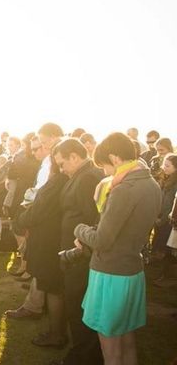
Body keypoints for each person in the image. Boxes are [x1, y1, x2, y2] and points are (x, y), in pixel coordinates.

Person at [75, 133, 161, 365]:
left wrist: (79, 229)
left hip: (110, 273)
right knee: (127, 339)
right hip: (133, 269)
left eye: (103, 164)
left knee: (111, 344)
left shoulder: (123, 189)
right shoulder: (152, 184)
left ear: (113, 158)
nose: (104, 171)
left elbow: (103, 240)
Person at [53, 138, 105, 365]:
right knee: (75, 304)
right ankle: (82, 353)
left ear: (74, 156)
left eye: (63, 163)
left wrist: (79, 250)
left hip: (81, 255)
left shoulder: (88, 178)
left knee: (78, 305)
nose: (62, 169)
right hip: (75, 252)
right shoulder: (81, 175)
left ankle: (83, 357)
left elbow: (92, 218)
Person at [15, 140, 70, 349]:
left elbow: (41, 209)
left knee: (52, 286)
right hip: (51, 237)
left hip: (49, 239)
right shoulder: (62, 180)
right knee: (50, 285)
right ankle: (55, 330)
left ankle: (56, 334)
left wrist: (21, 219)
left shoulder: (57, 181)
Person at [152, 153, 177, 281]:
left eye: (167, 166)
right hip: (162, 218)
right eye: (164, 165)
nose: (164, 167)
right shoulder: (167, 179)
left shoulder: (174, 183)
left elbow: (170, 204)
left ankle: (164, 277)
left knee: (164, 249)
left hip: (167, 221)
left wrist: (161, 220)